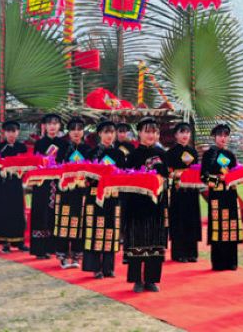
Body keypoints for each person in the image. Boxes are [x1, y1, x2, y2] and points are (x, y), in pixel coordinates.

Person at [124, 117, 169, 293]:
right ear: (140, 133)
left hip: (156, 205)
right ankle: (137, 279)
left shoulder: (163, 155)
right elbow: (127, 180)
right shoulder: (133, 156)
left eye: (154, 132)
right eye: (147, 131)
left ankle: (151, 279)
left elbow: (167, 178)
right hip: (137, 205)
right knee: (137, 240)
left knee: (155, 241)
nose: (151, 135)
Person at [82, 121, 125, 279]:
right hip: (94, 196)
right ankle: (95, 267)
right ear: (99, 134)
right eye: (106, 132)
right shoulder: (92, 153)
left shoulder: (119, 154)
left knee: (111, 231)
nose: (110, 135)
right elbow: (86, 175)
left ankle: (108, 267)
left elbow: (123, 174)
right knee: (95, 230)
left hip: (113, 196)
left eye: (112, 132)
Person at [202, 123, 243, 271]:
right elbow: (204, 176)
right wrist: (220, 180)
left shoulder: (231, 155)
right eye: (220, 135)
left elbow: (235, 173)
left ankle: (232, 262)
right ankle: (218, 262)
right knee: (218, 227)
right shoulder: (209, 154)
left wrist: (238, 178)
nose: (223, 138)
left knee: (232, 227)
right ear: (214, 137)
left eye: (226, 135)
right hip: (217, 196)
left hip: (230, 195)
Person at [53, 117, 92, 269]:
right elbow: (56, 166)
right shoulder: (62, 147)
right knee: (64, 221)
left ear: (83, 131)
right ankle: (62, 255)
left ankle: (76, 254)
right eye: (73, 129)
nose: (76, 132)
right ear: (69, 132)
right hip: (65, 191)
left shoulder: (88, 149)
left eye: (79, 129)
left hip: (81, 191)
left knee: (80, 222)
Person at [31, 113, 69, 259]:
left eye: (55, 123)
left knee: (55, 215)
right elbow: (36, 164)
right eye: (50, 124)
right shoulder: (39, 144)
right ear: (45, 126)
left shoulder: (64, 144)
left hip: (58, 183)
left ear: (59, 126)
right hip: (42, 184)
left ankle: (53, 247)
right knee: (41, 214)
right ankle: (40, 250)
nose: (52, 126)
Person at [0, 121, 29, 253]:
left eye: (14, 131)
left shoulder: (22, 148)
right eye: (8, 131)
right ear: (4, 133)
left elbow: (26, 166)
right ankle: (5, 242)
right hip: (1, 183)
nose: (11, 134)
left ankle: (19, 242)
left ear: (18, 132)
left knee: (17, 211)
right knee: (3, 211)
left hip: (16, 183)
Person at [165, 122, 201, 263]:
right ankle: (178, 253)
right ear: (176, 135)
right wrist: (179, 174)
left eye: (187, 132)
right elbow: (168, 172)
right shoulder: (171, 153)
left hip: (192, 191)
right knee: (179, 220)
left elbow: (197, 170)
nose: (185, 135)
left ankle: (192, 252)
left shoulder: (193, 152)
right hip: (178, 191)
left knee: (192, 219)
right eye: (182, 132)